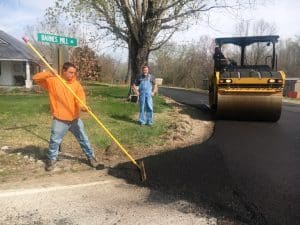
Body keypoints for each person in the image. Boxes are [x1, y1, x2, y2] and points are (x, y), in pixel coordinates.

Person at [33, 62, 98, 171]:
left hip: (74, 119)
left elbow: (80, 99)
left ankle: (91, 158)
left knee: (84, 139)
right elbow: (36, 78)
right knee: (55, 141)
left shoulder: (76, 85)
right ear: (63, 71)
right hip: (60, 119)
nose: (72, 75)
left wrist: (82, 107)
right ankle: (51, 160)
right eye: (70, 72)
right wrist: (49, 73)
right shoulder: (53, 81)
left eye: (74, 73)